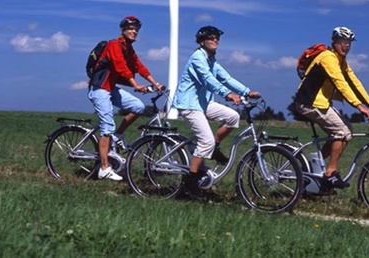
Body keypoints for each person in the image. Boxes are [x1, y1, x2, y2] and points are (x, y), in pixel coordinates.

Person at [291, 26, 369, 190]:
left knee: (346, 130)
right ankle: (330, 174)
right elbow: (341, 84)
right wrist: (359, 106)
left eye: (349, 43)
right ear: (334, 42)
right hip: (309, 103)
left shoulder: (340, 60)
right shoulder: (327, 57)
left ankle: (315, 162)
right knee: (341, 131)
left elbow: (353, 81)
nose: (346, 46)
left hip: (321, 103)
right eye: (343, 42)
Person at [172, 25, 260, 197]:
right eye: (211, 37)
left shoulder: (212, 59)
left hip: (203, 102)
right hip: (189, 104)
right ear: (202, 41)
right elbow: (208, 79)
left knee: (233, 117)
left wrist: (246, 91)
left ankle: (214, 147)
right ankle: (189, 185)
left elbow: (226, 78)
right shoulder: (198, 58)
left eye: (217, 38)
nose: (215, 40)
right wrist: (227, 94)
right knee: (205, 141)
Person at [88, 15, 164, 181]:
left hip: (111, 88)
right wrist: (136, 85)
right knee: (107, 127)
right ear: (123, 30)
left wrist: (155, 83)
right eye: (131, 28)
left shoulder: (129, 49)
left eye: (136, 29)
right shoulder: (114, 45)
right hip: (99, 89)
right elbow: (121, 67)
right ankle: (104, 168)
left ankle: (117, 136)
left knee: (138, 107)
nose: (134, 31)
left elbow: (139, 66)